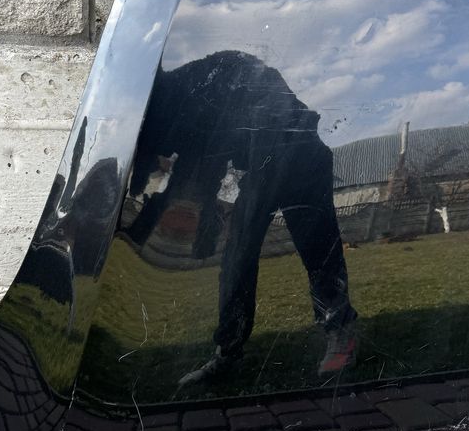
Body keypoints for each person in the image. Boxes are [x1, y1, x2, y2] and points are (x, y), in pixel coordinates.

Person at [127, 50, 357, 382]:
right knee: (237, 256)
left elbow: (195, 173)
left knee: (318, 248)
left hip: (296, 149)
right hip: (264, 155)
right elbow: (198, 170)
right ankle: (228, 353)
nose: (166, 155)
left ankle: (340, 334)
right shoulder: (185, 95)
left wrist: (146, 227)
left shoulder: (186, 96)